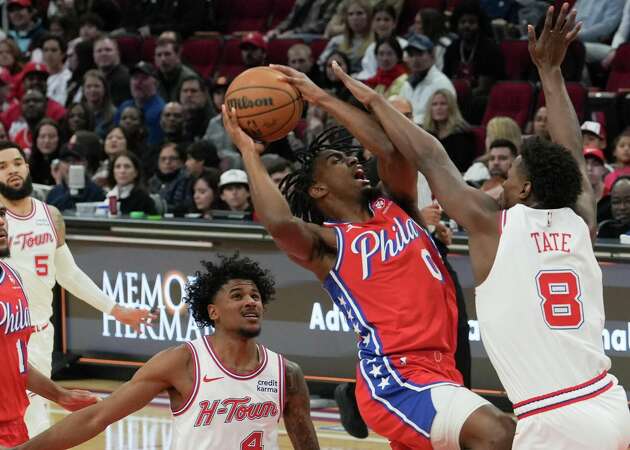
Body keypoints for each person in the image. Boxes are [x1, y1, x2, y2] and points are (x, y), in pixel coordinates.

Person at [332, 3, 630, 448]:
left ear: (526, 188)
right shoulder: (580, 217)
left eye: (512, 174)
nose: (503, 178)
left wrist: (373, 100)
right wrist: (549, 71)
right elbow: (569, 142)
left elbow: (431, 156)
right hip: (610, 404)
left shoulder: (493, 226)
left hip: (553, 419)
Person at [224, 61, 516, 448]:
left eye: (350, 158)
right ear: (318, 191)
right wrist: (249, 153)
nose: (353, 162)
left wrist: (321, 97)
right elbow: (279, 222)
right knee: (502, 434)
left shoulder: (398, 206)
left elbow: (391, 150)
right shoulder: (329, 244)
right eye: (337, 162)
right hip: (397, 377)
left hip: (442, 369)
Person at [8, 253, 320, 450]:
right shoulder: (182, 362)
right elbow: (98, 417)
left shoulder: (286, 374)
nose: (251, 301)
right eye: (237, 295)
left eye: (255, 295)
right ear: (213, 311)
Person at [0, 142, 155, 438]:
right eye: (2, 166)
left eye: (17, 163)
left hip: (39, 335)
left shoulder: (51, 216)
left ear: (28, 167)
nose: (12, 171)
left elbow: (68, 273)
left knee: (32, 419)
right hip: (4, 334)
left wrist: (116, 309)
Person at [0, 186, 98, 447]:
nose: (1, 222)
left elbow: (15, 361)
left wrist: (59, 394)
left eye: (1, 214)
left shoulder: (11, 277)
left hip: (13, 424)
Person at [399, 34, 455, 125]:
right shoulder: (407, 83)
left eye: (420, 54)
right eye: (411, 55)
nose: (415, 59)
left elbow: (447, 121)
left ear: (432, 55)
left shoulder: (442, 84)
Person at [422, 89, 476, 173]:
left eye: (443, 104)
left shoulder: (462, 134)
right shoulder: (427, 133)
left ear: (451, 107)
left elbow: (462, 165)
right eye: (434, 104)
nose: (438, 108)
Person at [106, 151, 157, 215]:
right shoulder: (109, 195)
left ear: (136, 173)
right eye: (118, 167)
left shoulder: (144, 199)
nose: (122, 171)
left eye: (127, 166)